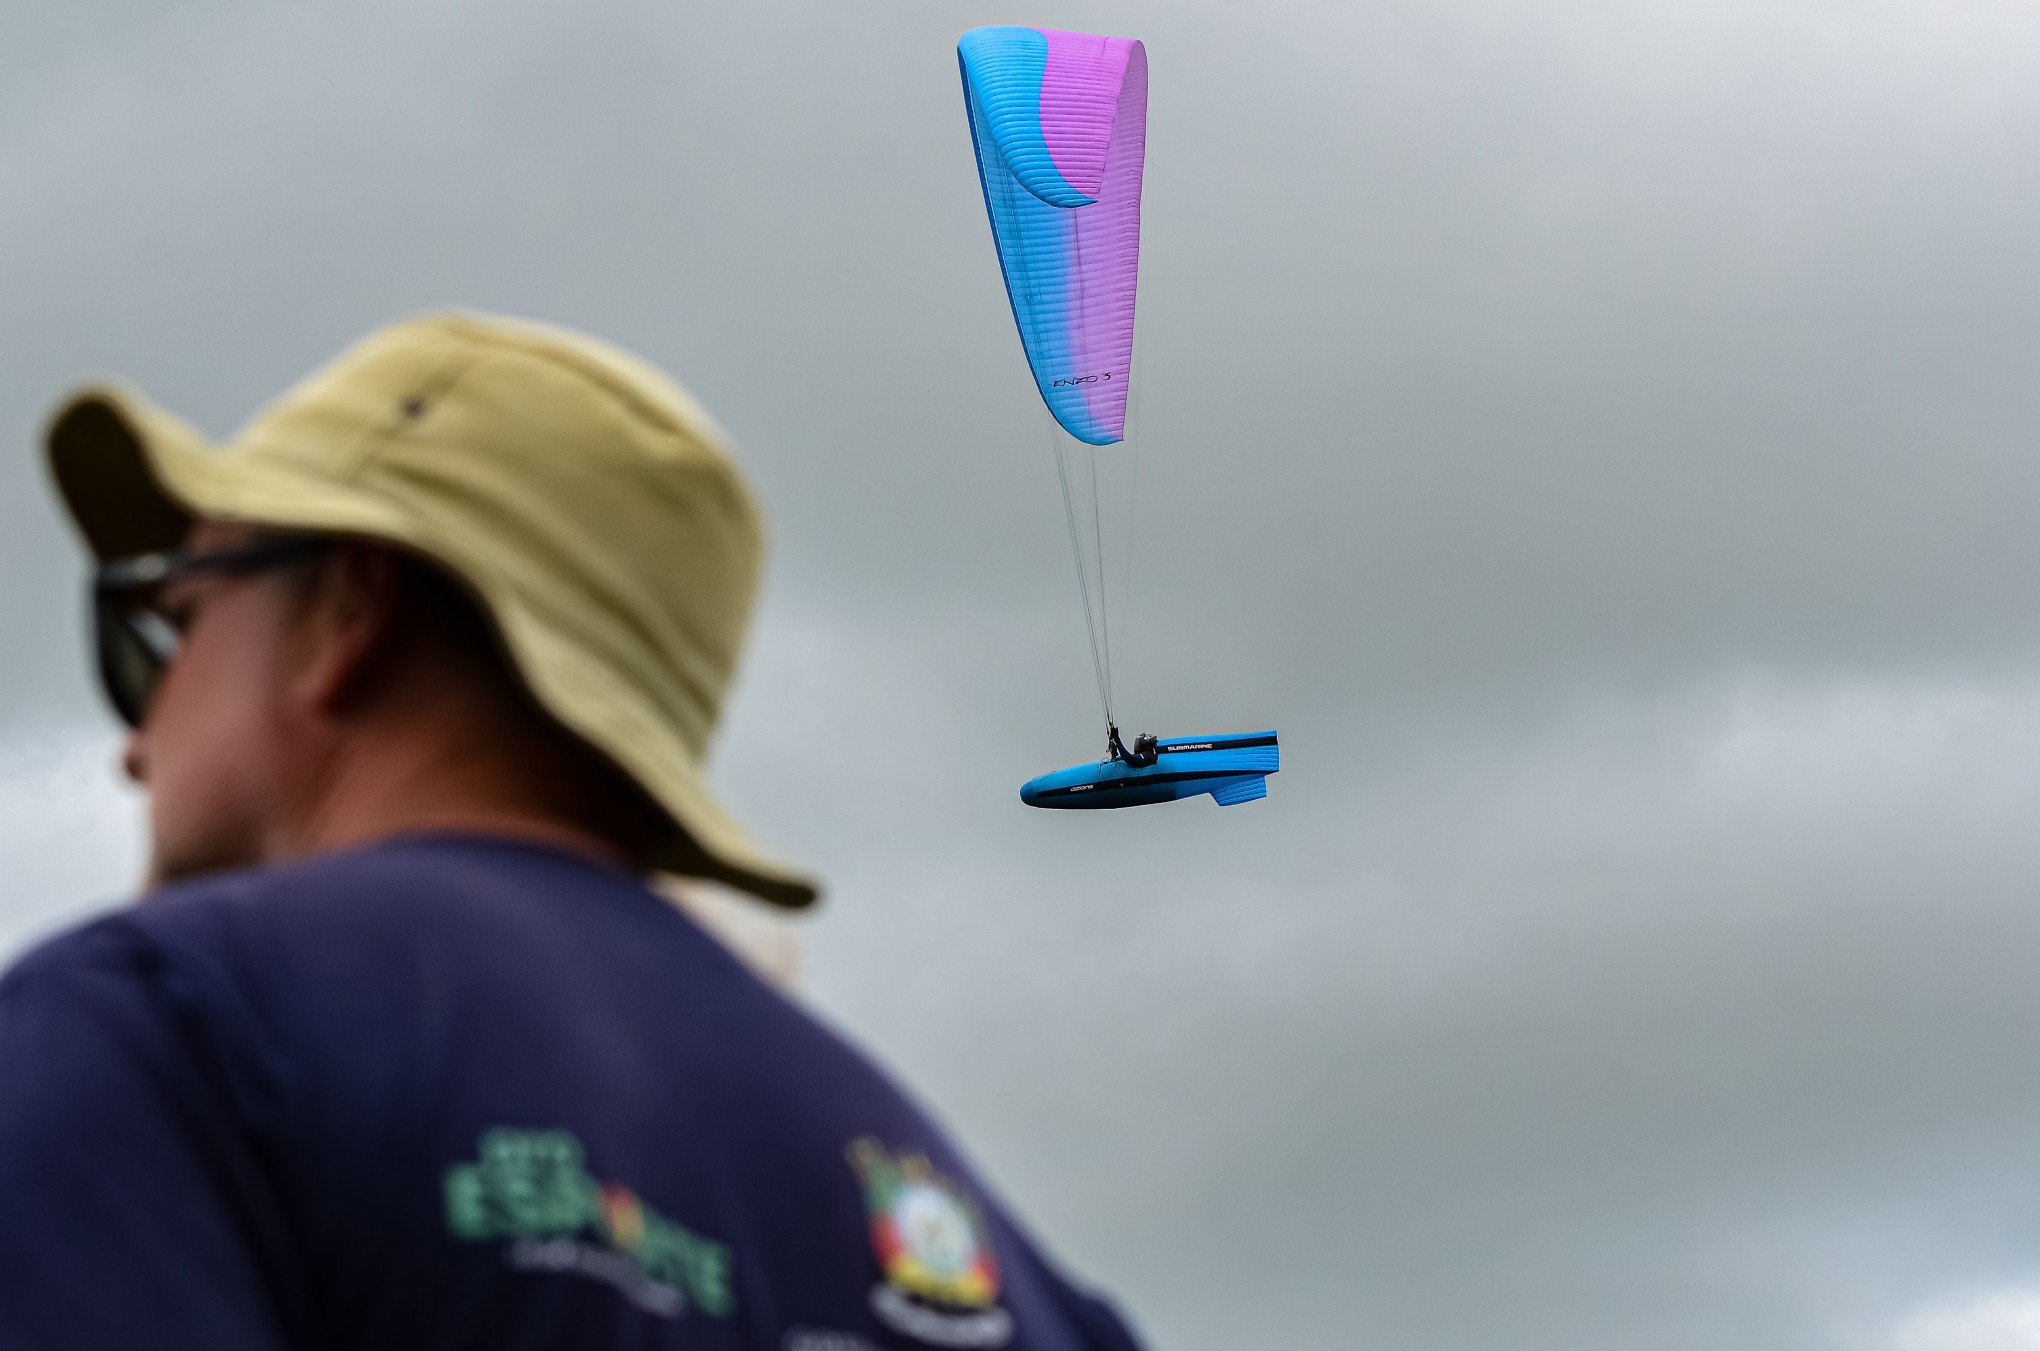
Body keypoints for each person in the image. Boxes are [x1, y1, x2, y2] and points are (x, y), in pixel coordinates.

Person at [0, 312, 1143, 1350]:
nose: (136, 741)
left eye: (175, 619)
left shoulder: (171, 1027)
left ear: (349, 609)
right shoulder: (1022, 1284)